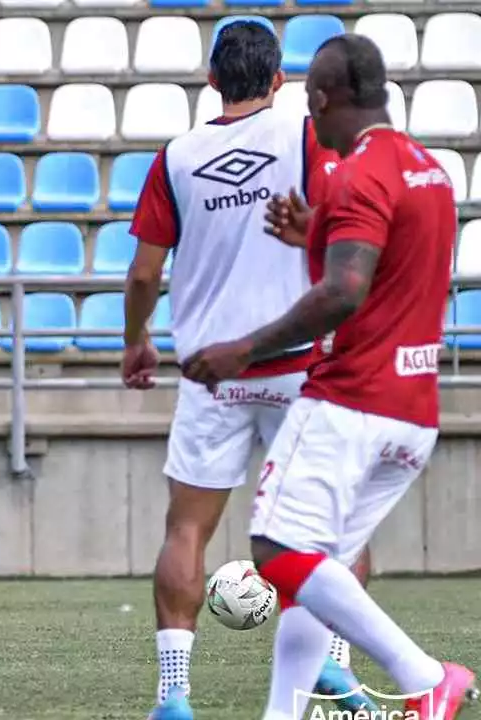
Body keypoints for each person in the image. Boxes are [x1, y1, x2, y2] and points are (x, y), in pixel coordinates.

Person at [183, 34, 477, 720]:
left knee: (277, 551)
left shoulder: (354, 173)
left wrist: (243, 349)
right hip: (414, 411)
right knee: (318, 576)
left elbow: (345, 292)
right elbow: (385, 264)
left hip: (352, 398)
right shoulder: (428, 170)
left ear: (320, 99)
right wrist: (314, 230)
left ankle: (424, 673)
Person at [122, 21, 374, 720]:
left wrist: (136, 340)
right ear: (278, 81)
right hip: (298, 362)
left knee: (187, 530)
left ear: (210, 81)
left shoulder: (175, 156)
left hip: (211, 372)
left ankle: (174, 696)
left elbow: (145, 272)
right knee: (331, 526)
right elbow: (341, 219)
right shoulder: (303, 136)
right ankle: (334, 664)